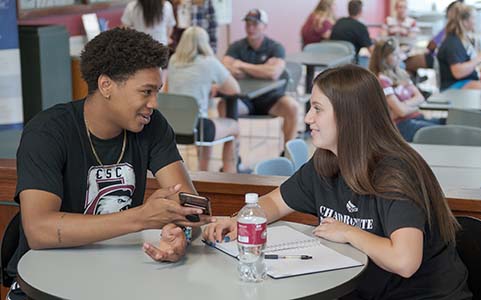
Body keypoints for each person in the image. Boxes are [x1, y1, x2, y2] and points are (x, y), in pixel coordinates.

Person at [204, 65, 472, 300]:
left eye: (317, 109)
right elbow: (275, 201)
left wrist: (349, 232)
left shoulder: (395, 173)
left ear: (349, 116)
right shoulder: (326, 162)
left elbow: (405, 261)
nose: (308, 118)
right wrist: (241, 221)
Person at [6, 28, 214, 300]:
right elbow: (39, 230)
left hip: (118, 279)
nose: (154, 103)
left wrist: (180, 236)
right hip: (44, 284)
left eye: (157, 91)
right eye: (146, 91)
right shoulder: (48, 132)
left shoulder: (153, 126)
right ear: (106, 86)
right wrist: (141, 218)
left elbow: (191, 208)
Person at [221, 9, 298, 149]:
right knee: (223, 105)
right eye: (248, 24)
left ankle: (287, 153)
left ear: (264, 26)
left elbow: (273, 73)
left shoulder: (275, 47)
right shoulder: (236, 46)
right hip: (244, 100)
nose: (251, 28)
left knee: (292, 107)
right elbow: (225, 67)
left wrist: (242, 65)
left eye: (255, 24)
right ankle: (233, 156)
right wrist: (262, 69)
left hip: (271, 99)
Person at [167, 26, 241, 173]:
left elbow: (167, 90)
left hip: (172, 125)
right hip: (197, 127)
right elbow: (234, 89)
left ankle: (203, 172)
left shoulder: (173, 61)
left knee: (204, 126)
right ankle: (230, 174)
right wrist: (216, 87)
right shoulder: (209, 62)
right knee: (234, 128)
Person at [369, 39, 444, 142]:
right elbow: (402, 112)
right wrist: (415, 106)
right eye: (394, 55)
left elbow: (420, 97)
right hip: (402, 125)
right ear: (383, 58)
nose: (399, 57)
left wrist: (404, 105)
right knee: (444, 132)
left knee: (446, 122)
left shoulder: (402, 74)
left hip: (415, 118)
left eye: (398, 53)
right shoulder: (382, 81)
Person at [437, 3, 481, 90]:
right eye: (473, 18)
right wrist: (479, 59)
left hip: (466, 81)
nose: (475, 21)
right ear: (465, 21)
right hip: (454, 86)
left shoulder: (463, 40)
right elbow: (458, 72)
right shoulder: (453, 42)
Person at [330, 0, 373, 64]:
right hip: (350, 65)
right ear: (360, 11)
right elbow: (371, 50)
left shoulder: (339, 22)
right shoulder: (360, 27)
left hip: (333, 61)